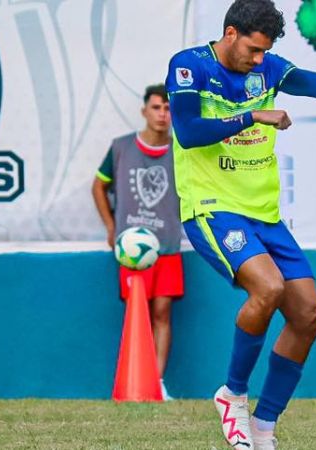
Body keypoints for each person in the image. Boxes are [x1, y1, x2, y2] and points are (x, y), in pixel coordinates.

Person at [166, 0, 316, 447]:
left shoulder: (268, 68)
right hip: (213, 207)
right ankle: (232, 394)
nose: (259, 60)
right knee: (268, 288)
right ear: (230, 33)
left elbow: (315, 82)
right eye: (253, 50)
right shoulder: (189, 66)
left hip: (264, 214)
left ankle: (264, 425)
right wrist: (253, 114)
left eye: (264, 53)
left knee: (311, 314)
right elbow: (189, 131)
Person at [91, 84, 184, 401]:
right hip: (131, 250)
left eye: (169, 108)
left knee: (162, 313)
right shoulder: (121, 148)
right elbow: (98, 186)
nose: (162, 114)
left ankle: (155, 384)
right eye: (157, 107)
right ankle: (134, 380)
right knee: (137, 314)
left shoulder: (182, 152)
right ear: (145, 110)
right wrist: (110, 226)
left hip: (168, 247)